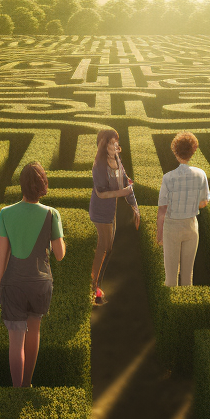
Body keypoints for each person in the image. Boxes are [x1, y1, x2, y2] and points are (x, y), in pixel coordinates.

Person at [0, 161, 66, 387]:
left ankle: (17, 389)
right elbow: (59, 254)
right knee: (34, 332)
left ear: (21, 185)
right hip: (40, 282)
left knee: (15, 341)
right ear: (42, 184)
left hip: (13, 283)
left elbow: (2, 256)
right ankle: (28, 384)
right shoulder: (51, 214)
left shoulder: (5, 213)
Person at [88, 127, 140, 305]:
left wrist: (134, 206)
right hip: (100, 210)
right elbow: (101, 193)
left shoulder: (117, 160)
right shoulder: (98, 165)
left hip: (111, 211)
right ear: (103, 144)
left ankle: (95, 285)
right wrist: (122, 192)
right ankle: (93, 288)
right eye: (110, 142)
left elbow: (126, 182)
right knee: (104, 248)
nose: (114, 144)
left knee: (108, 248)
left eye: (115, 141)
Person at [155, 131, 209, 287]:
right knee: (187, 277)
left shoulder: (168, 178)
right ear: (193, 151)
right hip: (191, 226)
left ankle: (170, 309)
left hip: (172, 228)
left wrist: (159, 234)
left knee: (170, 278)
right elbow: (204, 202)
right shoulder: (201, 174)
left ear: (175, 152)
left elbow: (162, 210)